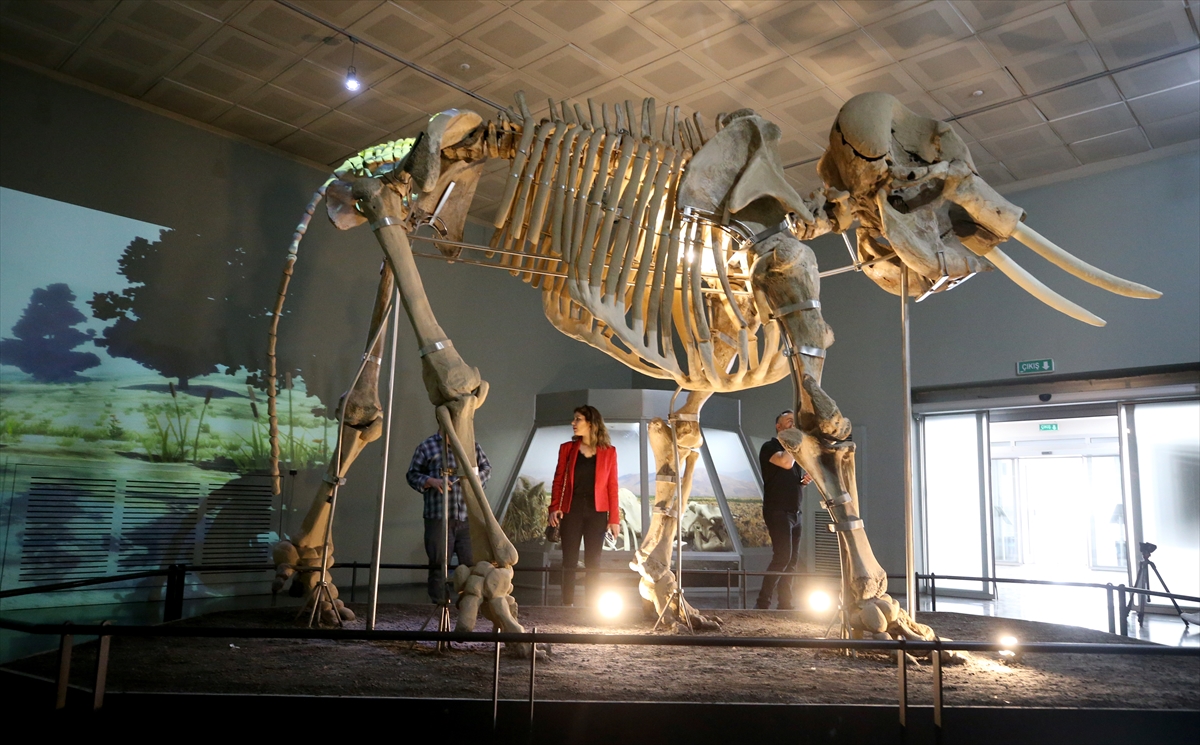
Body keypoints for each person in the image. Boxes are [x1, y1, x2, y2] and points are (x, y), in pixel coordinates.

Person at [406, 430, 490, 604]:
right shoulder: (427, 446)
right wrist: (431, 481)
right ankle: (439, 606)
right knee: (438, 564)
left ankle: (468, 605)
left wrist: (472, 480)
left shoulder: (471, 446)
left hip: (467, 517)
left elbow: (486, 469)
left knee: (470, 564)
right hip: (438, 517)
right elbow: (412, 474)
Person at [549, 405, 620, 606]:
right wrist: (554, 507)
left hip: (598, 512)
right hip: (572, 510)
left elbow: (612, 487)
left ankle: (592, 607)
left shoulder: (609, 452)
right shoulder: (567, 449)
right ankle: (567, 605)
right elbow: (558, 480)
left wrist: (614, 519)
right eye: (574, 419)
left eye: (578, 419)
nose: (573, 423)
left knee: (593, 563)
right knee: (569, 561)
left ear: (591, 423)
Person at [756, 409, 812, 610]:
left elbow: (792, 477)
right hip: (777, 511)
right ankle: (762, 603)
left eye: (794, 422)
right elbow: (785, 463)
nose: (793, 425)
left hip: (795, 512)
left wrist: (803, 482)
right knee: (782, 557)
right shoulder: (769, 447)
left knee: (792, 561)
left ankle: (786, 604)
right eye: (789, 422)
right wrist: (795, 440)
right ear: (778, 427)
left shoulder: (795, 452)